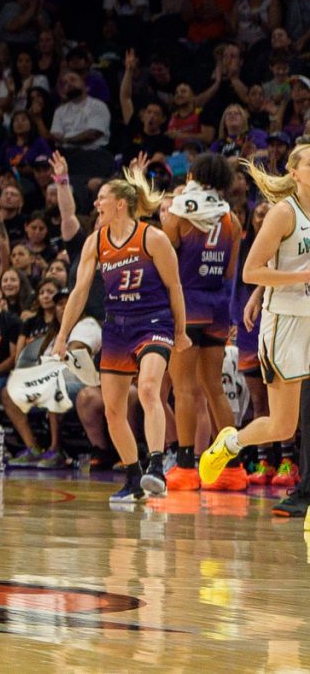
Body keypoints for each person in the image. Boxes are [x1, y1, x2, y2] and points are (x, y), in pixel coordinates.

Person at [54, 169, 189, 506]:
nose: (97, 202)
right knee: (113, 409)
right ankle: (133, 477)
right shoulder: (94, 242)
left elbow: (175, 287)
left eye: (103, 197)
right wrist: (62, 336)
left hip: (153, 321)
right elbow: (79, 293)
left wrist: (181, 330)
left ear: (121, 204)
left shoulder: (152, 238)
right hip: (116, 326)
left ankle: (156, 466)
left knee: (147, 388)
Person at [197, 142, 310, 513]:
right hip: (285, 323)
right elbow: (251, 271)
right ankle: (229, 444)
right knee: (282, 426)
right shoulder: (283, 213)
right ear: (295, 173)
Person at [161, 153, 244, 490]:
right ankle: (232, 468)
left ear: (193, 174)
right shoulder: (232, 220)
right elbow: (229, 273)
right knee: (214, 388)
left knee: (183, 389)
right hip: (218, 306)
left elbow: (164, 263)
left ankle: (184, 467)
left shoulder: (179, 214)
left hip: (187, 303)